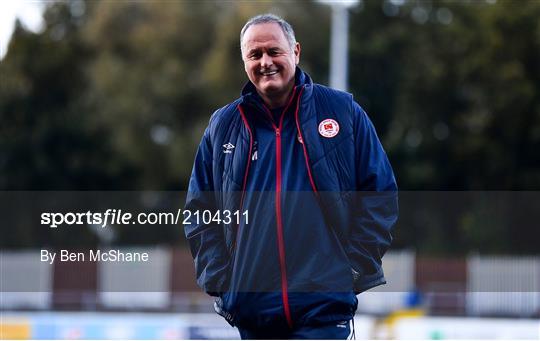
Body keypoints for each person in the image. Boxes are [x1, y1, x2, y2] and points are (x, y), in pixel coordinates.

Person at [184, 13, 398, 339]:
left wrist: (350, 271)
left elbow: (379, 193)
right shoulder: (223, 125)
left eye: (274, 51)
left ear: (295, 52)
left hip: (324, 312)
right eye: (255, 55)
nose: (265, 62)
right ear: (244, 63)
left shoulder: (342, 112)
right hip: (254, 315)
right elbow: (200, 212)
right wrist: (224, 283)